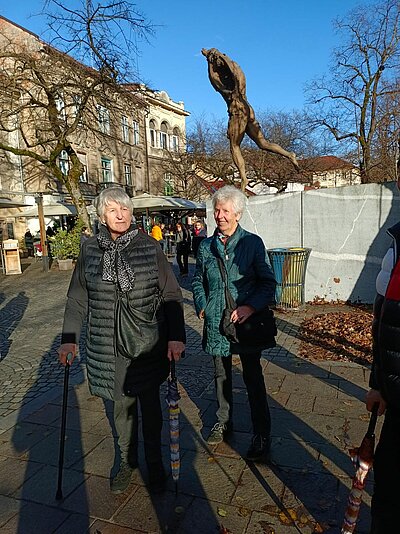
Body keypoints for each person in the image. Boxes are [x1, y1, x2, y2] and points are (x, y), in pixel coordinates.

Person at [58, 187, 186, 495]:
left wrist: (176, 338)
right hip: (107, 345)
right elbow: (77, 299)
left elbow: (171, 294)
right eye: (114, 210)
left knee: (151, 410)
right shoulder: (89, 250)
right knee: (121, 409)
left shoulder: (150, 246)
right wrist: (68, 340)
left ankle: (154, 464)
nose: (121, 215)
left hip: (146, 343)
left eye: (125, 210)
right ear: (102, 215)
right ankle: (127, 462)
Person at [192, 185, 276, 461]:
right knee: (221, 375)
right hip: (216, 319)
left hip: (245, 323)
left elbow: (267, 282)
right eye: (217, 210)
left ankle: (261, 432)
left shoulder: (252, 243)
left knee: (252, 377)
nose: (219, 215)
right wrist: (202, 304)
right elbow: (198, 279)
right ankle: (224, 421)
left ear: (237, 214)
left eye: (225, 211)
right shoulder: (205, 245)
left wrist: (250, 306)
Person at [201, 48, 299, 188]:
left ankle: (244, 179)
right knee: (263, 143)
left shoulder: (227, 88)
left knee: (234, 146)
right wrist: (219, 56)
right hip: (248, 109)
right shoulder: (240, 75)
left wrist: (209, 60)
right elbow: (232, 68)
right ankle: (289, 154)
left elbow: (213, 79)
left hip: (237, 111)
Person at [365, 218, 400, 533]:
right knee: (387, 485)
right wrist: (378, 383)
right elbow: (383, 317)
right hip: (395, 392)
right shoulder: (397, 241)